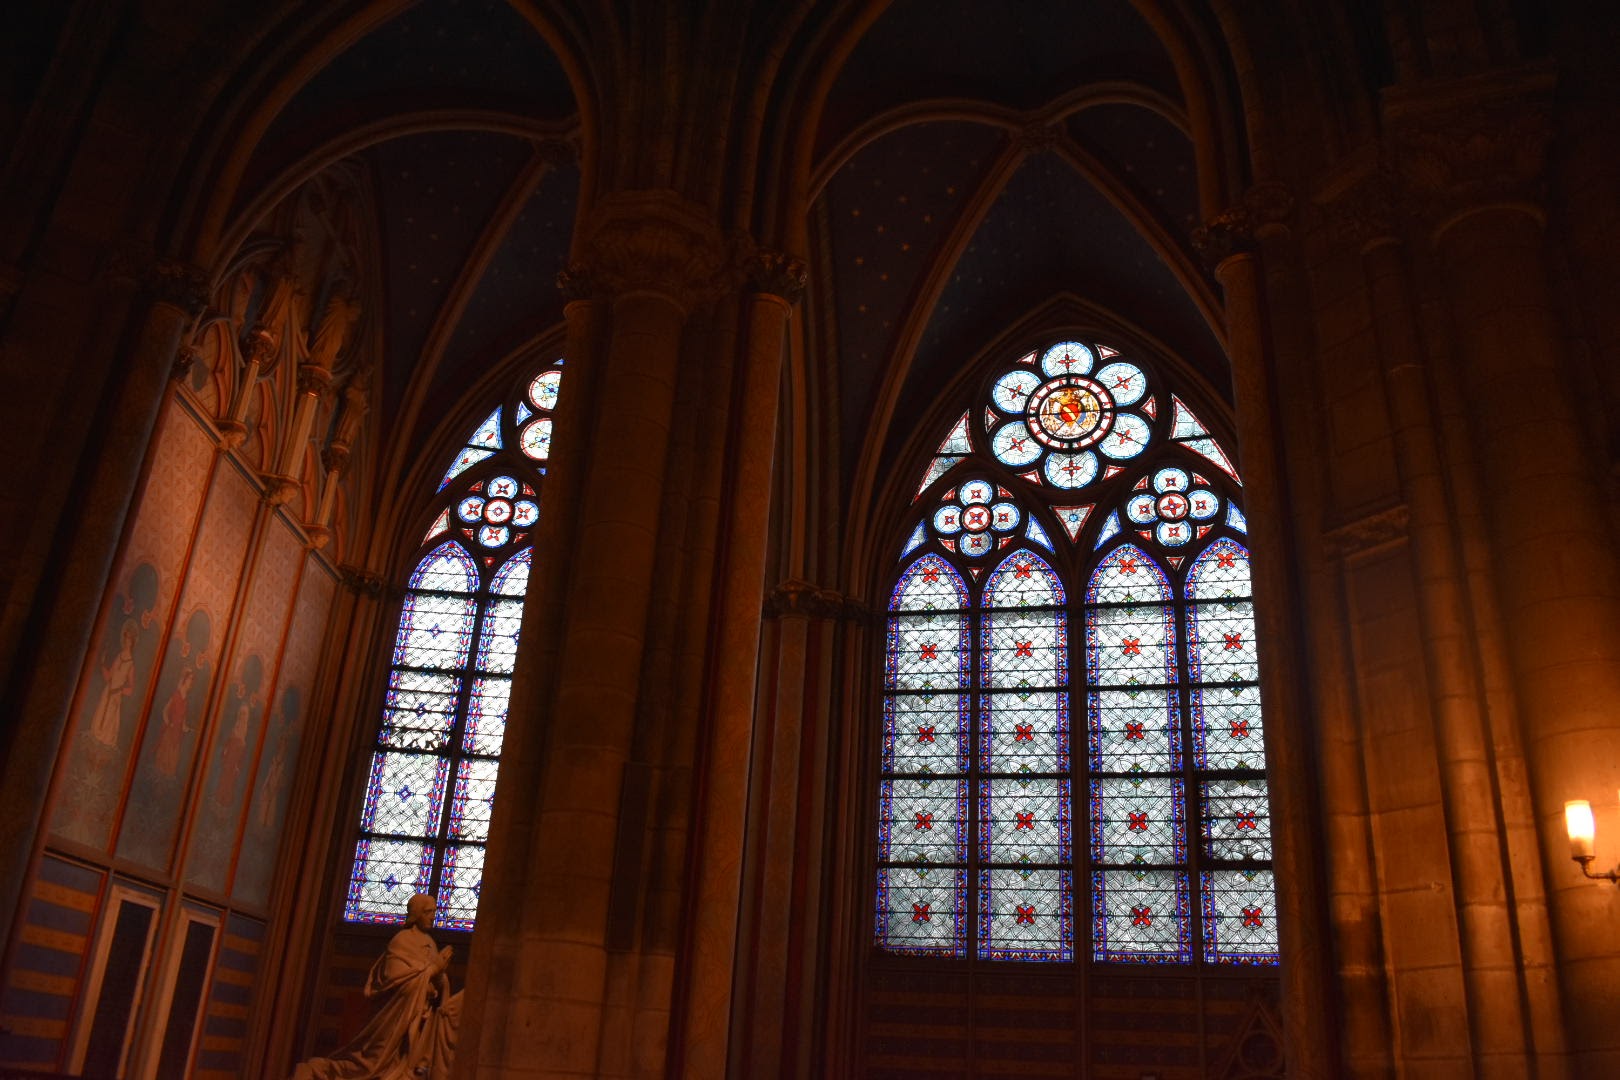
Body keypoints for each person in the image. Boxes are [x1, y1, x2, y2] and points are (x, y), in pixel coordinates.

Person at [291, 893, 461, 1079]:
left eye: (434, 912)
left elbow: (430, 980)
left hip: (418, 1019)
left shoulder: (430, 944)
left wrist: (441, 980)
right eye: (428, 912)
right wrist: (432, 970)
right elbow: (395, 980)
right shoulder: (402, 940)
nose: (432, 917)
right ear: (417, 913)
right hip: (391, 1018)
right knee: (368, 1066)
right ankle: (319, 1071)